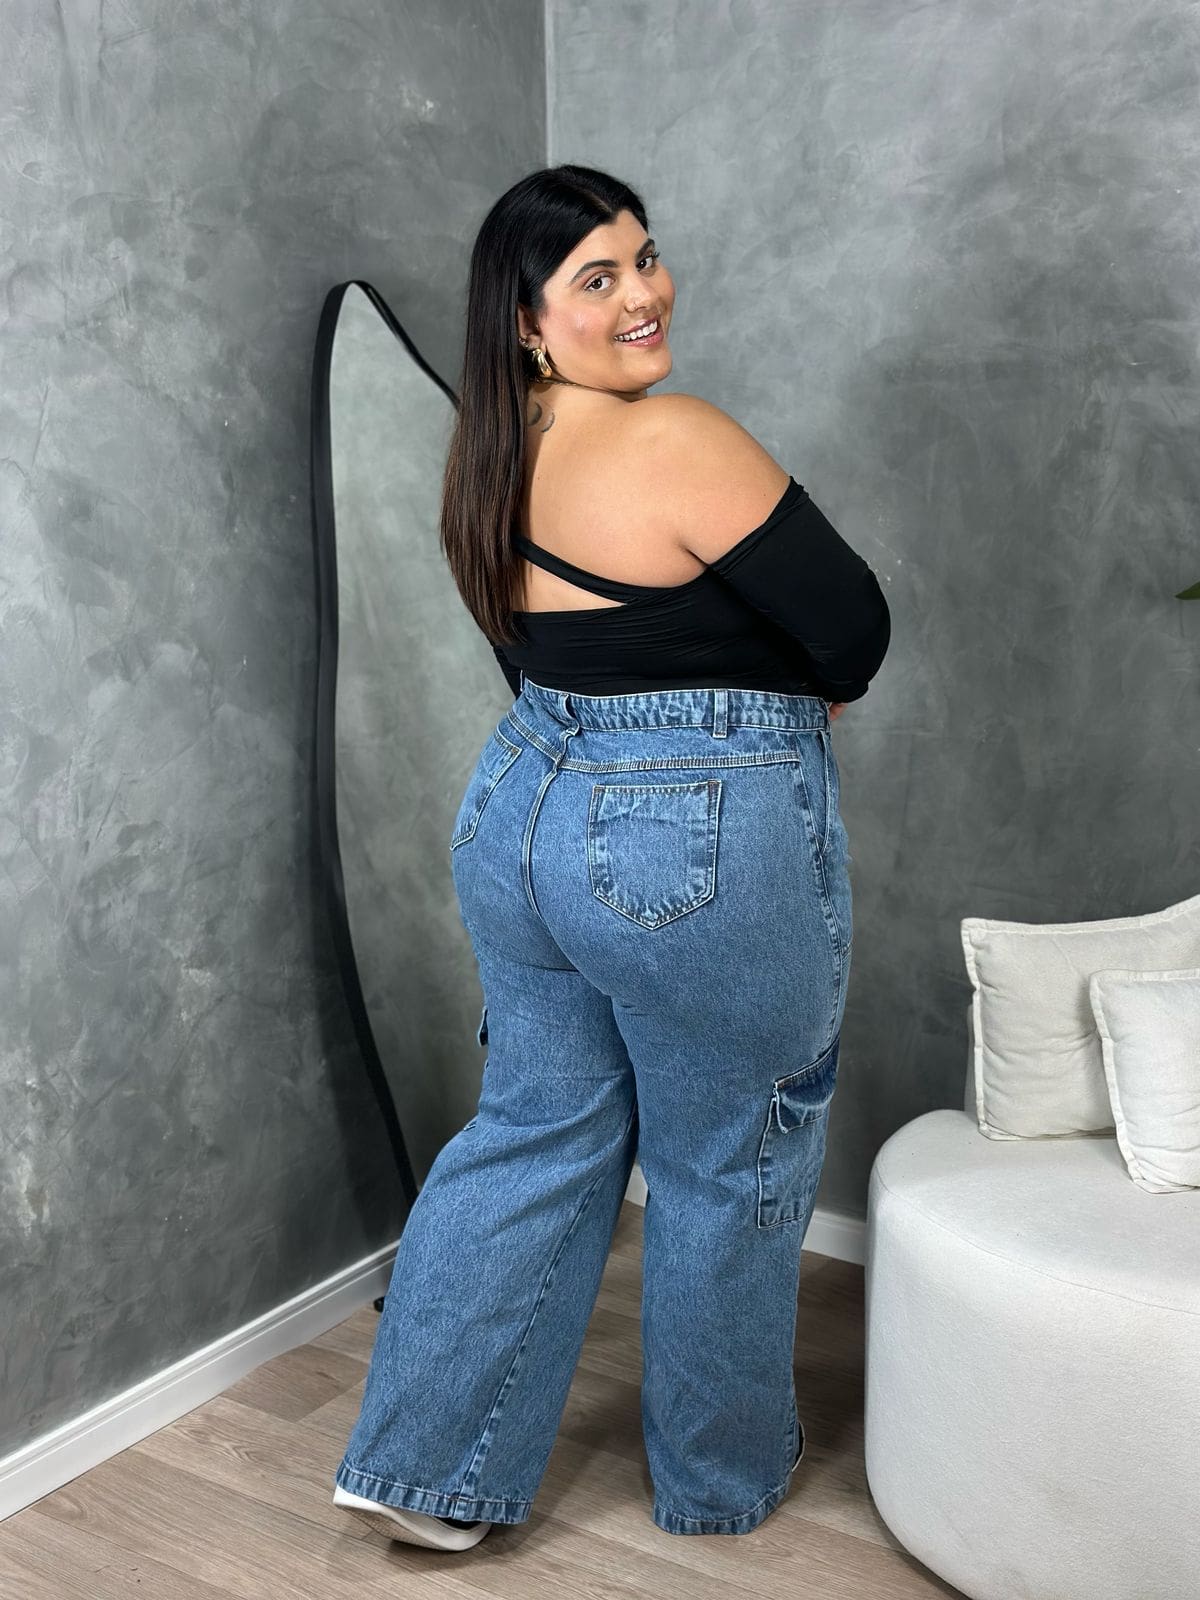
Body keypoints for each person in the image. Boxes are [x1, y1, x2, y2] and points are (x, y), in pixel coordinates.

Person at [332, 164, 891, 1551]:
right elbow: (855, 628)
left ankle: (423, 1474)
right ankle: (717, 1480)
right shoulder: (675, 440)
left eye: (646, 258)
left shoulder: (487, 458)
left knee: (534, 1125)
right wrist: (769, 696)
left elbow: (547, 650)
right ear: (527, 321)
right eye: (599, 278)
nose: (645, 295)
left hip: (523, 808)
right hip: (686, 835)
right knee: (728, 1155)